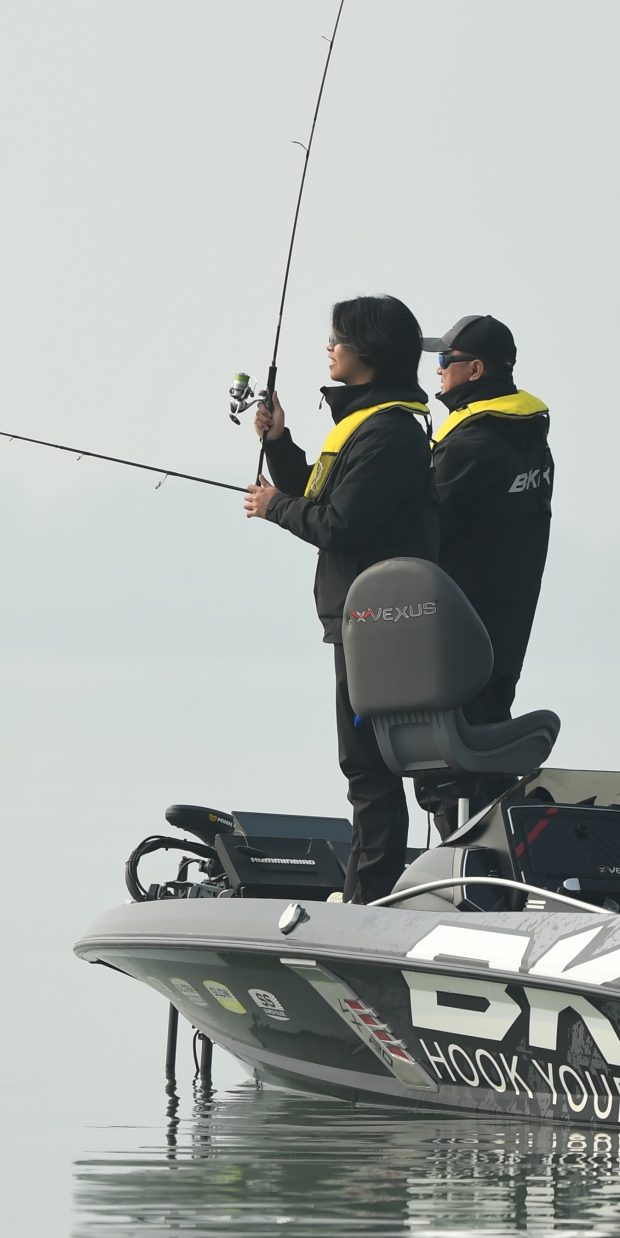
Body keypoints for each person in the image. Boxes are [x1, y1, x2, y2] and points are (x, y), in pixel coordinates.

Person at [244, 294, 439, 906]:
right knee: (365, 765)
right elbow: (321, 493)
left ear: (369, 352)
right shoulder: (367, 424)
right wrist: (279, 440)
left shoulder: (389, 434)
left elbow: (340, 525)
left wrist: (274, 506)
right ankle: (368, 893)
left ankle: (368, 900)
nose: (329, 347)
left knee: (368, 767)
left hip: (379, 627)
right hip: (361, 623)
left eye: (338, 338)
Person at [413, 315, 554, 836]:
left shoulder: (471, 445)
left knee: (449, 761)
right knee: (490, 744)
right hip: (508, 623)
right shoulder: (530, 439)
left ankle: (469, 863)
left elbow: (423, 524)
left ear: (474, 370)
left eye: (445, 361)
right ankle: (508, 858)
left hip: (459, 624)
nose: (437, 371)